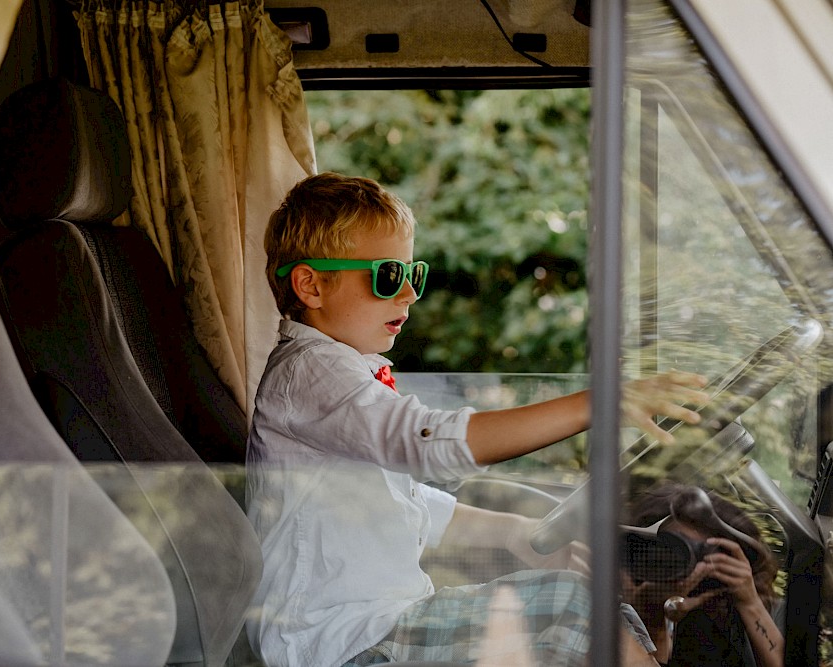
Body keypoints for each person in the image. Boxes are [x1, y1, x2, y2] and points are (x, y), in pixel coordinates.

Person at [245, 172, 709, 667]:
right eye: (387, 276)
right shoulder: (310, 370)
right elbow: (425, 441)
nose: (408, 295)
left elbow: (405, 500)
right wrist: (593, 404)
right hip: (335, 642)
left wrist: (517, 534)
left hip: (375, 625)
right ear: (311, 284)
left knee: (591, 607)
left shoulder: (345, 371)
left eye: (413, 274)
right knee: (572, 607)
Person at [622, 483, 784, 667]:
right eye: (669, 550)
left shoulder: (750, 612)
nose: (683, 565)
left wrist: (750, 603)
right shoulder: (621, 606)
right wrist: (649, 617)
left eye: (700, 553)